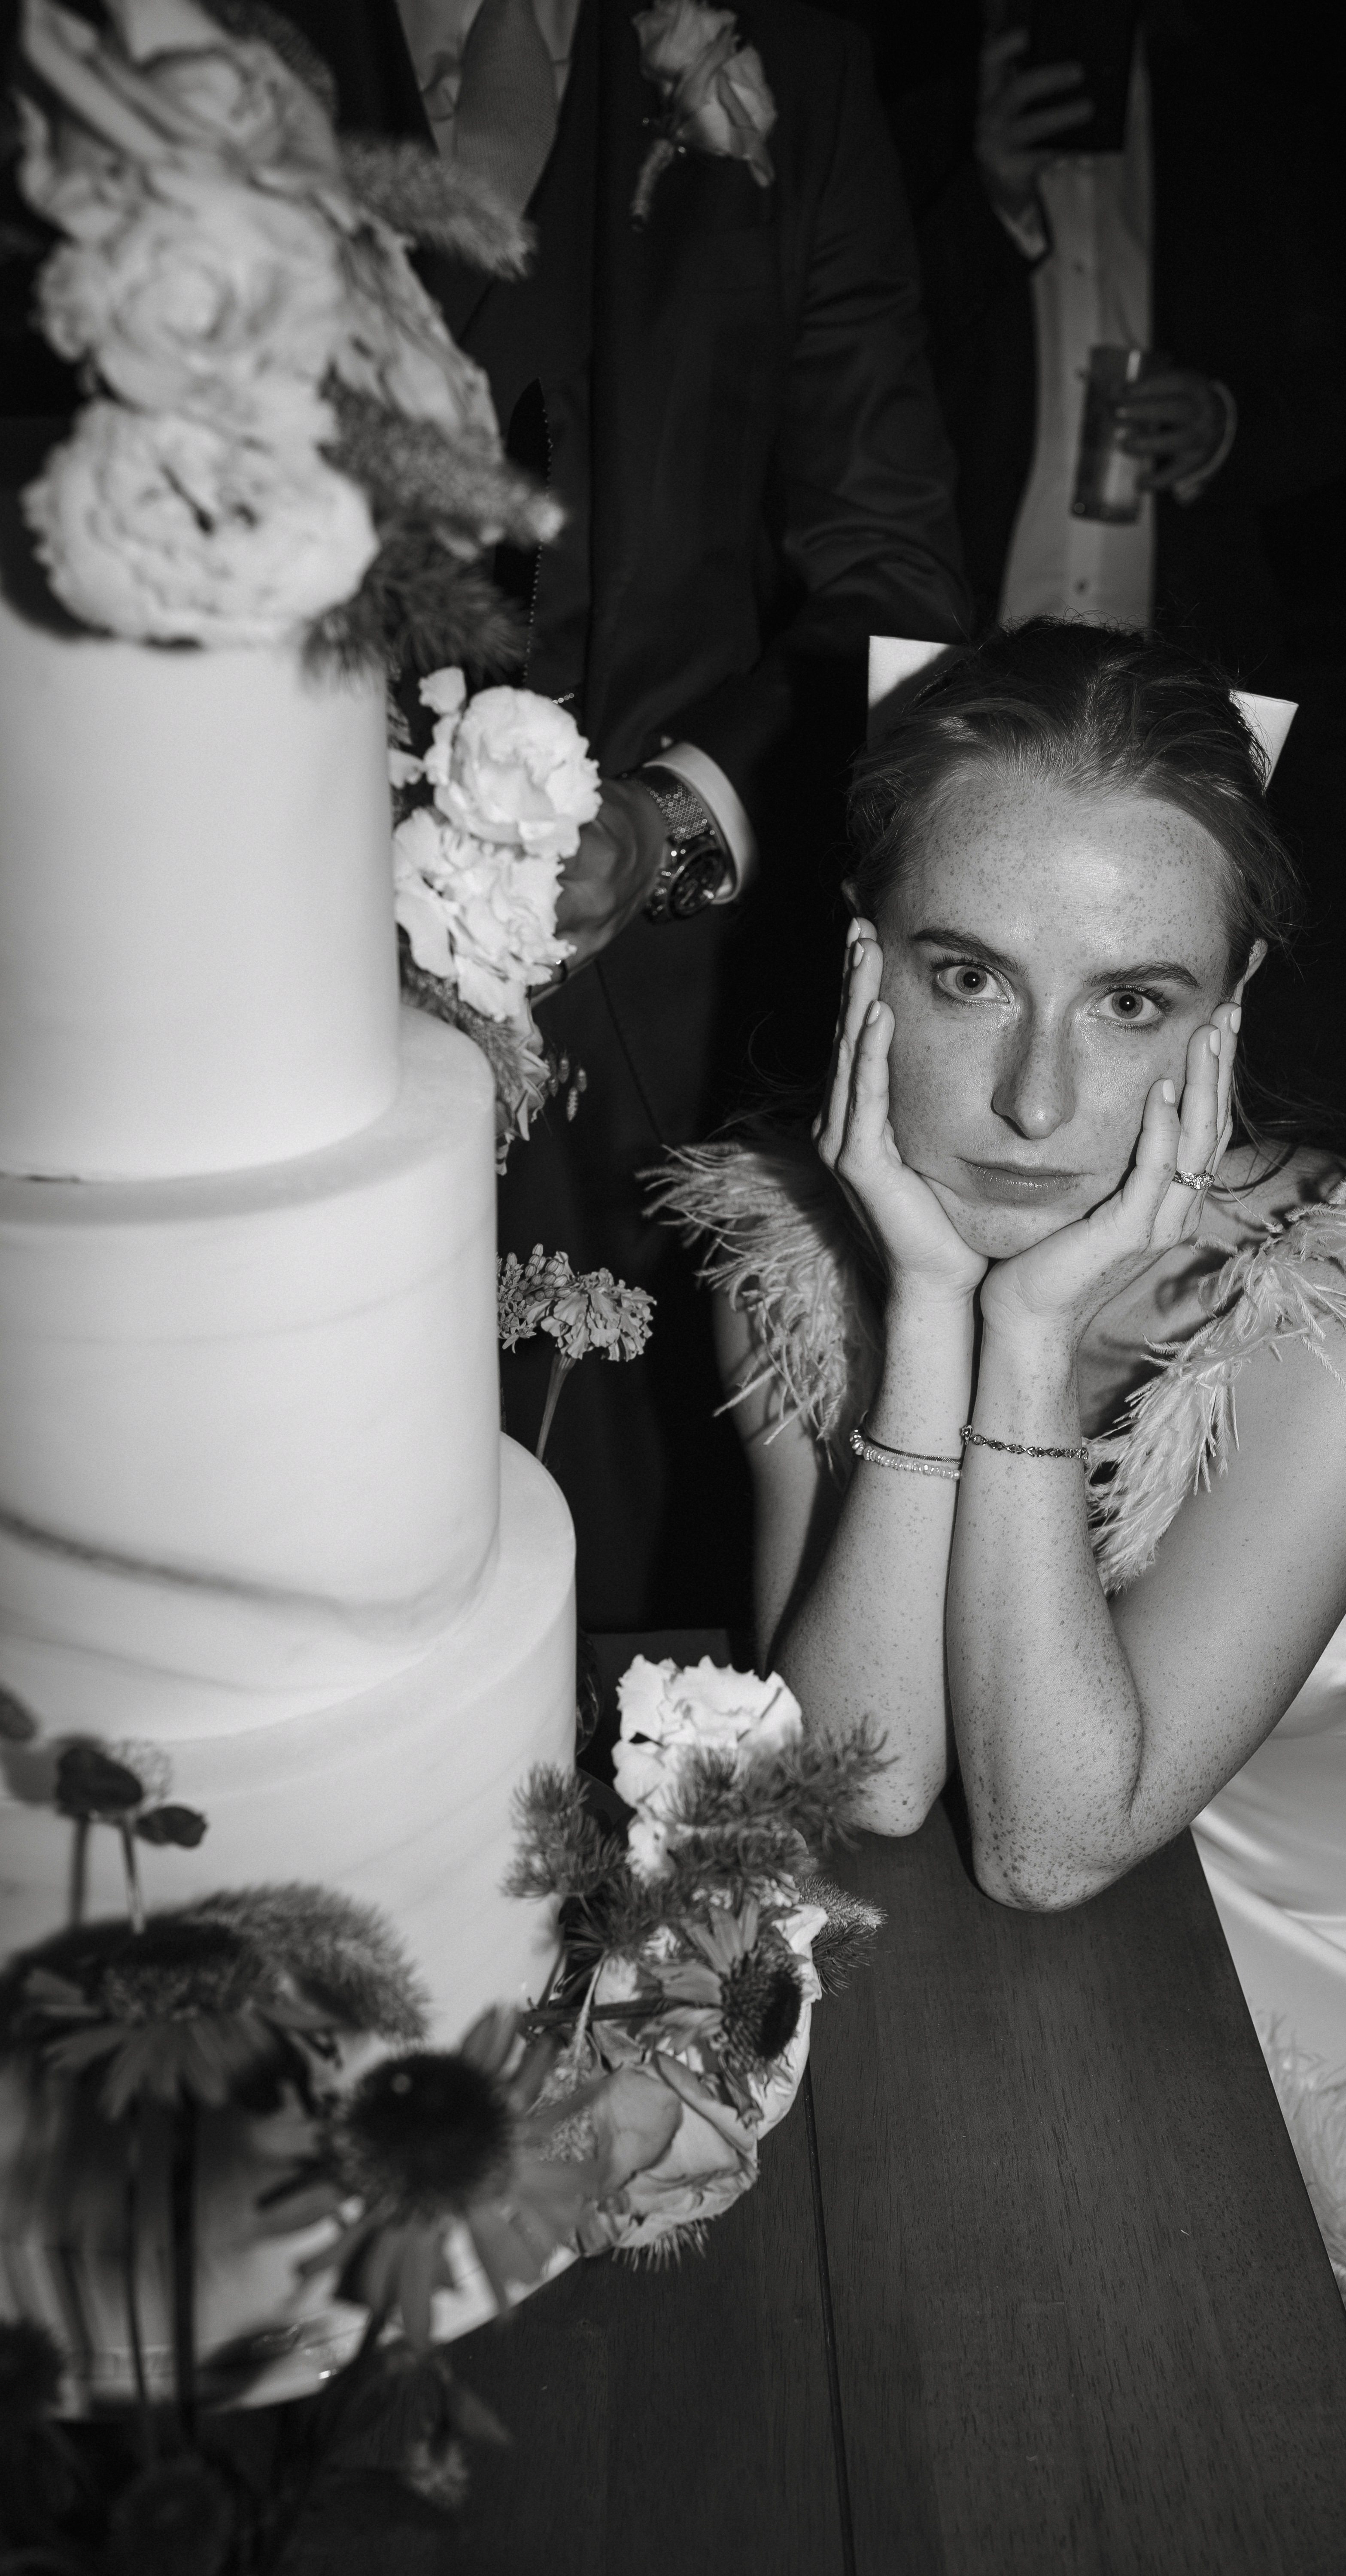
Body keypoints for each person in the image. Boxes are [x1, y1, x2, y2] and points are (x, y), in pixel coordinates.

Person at [654, 623, 1346, 2291]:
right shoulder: (787, 1254)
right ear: (864, 970)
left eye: (1133, 1001)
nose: (1034, 1097)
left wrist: (1030, 1335)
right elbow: (862, 1780)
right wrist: (934, 1307)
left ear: (1225, 1016)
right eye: (967, 975)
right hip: (1089, 1943)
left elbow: (1047, 1845)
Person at [267, 0, 970, 1621]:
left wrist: (668, 821)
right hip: (253, 978)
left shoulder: (797, 54)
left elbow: (892, 576)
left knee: (634, 1594)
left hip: (661, 1050)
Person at [904, 0, 1346, 665]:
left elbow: (1345, 387)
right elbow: (863, 376)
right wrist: (988, 201)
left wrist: (1225, 427)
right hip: (954, 651)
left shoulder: (1250, 133)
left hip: (1187, 658)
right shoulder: (909, 123)